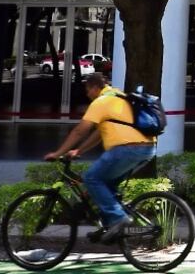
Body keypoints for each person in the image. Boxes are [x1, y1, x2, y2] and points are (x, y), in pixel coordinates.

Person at [44, 73, 156, 243]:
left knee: (91, 178)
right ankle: (109, 227)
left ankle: (119, 219)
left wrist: (58, 153)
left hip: (126, 149)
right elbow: (98, 134)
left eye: (88, 89)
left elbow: (80, 131)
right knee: (106, 186)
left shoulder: (101, 102)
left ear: (96, 87)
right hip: (146, 148)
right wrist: (79, 150)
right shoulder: (119, 96)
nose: (87, 94)